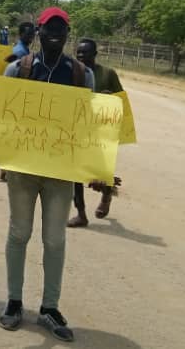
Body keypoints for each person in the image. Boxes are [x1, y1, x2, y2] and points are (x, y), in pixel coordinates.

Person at [0, 7, 96, 343]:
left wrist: (95, 168)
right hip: (23, 168)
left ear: (67, 33)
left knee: (55, 239)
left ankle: (49, 307)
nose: (54, 33)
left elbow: (88, 126)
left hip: (60, 171)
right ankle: (14, 301)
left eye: (61, 28)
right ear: (39, 32)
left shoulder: (80, 74)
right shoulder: (19, 69)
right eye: (49, 28)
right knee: (19, 234)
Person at [68, 38, 125, 227]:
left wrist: (108, 98)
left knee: (101, 172)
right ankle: (81, 213)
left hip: (101, 131)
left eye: (86, 53)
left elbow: (121, 100)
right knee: (75, 173)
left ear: (95, 54)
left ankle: (107, 193)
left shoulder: (108, 74)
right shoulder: (73, 72)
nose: (82, 56)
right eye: (79, 53)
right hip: (78, 129)